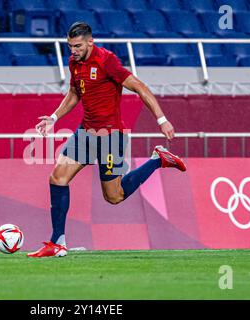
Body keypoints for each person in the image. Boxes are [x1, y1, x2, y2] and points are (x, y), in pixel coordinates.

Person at [28, 22, 186, 258]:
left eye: (78, 46)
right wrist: (53, 117)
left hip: (111, 136)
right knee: (58, 178)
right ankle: (57, 242)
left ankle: (157, 159)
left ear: (91, 42)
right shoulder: (75, 62)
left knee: (114, 196)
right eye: (70, 46)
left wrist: (162, 119)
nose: (73, 50)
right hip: (86, 132)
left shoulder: (106, 60)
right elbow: (74, 94)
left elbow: (140, 87)